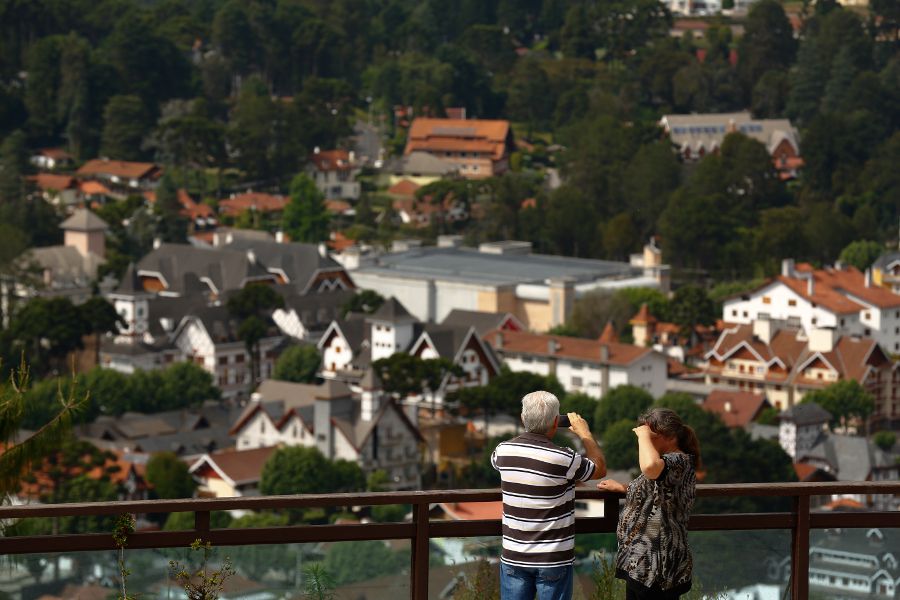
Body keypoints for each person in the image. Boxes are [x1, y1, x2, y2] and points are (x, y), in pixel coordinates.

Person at [491, 390, 607, 600]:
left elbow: (499, 461)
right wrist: (585, 434)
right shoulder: (565, 458)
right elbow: (599, 469)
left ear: (522, 418)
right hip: (553, 558)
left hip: (514, 555)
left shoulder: (502, 451)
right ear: (556, 423)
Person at [597, 407, 701, 600]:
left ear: (669, 437)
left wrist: (643, 436)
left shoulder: (678, 461)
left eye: (652, 435)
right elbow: (657, 489)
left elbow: (650, 468)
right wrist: (625, 488)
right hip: (642, 563)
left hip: (658, 567)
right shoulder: (666, 463)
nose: (647, 441)